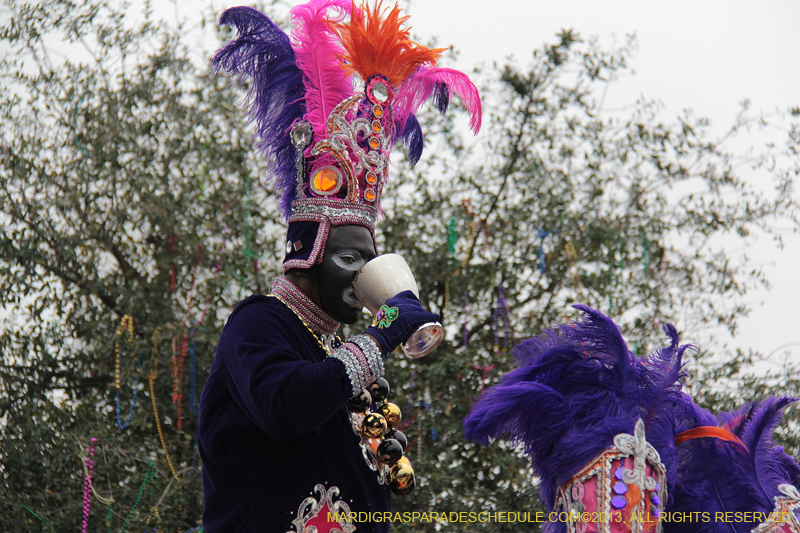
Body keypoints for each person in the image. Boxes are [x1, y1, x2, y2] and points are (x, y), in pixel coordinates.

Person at [198, 1, 481, 531]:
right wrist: (378, 341)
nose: (362, 276)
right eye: (350, 258)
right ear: (306, 255)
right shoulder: (258, 323)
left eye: (370, 260)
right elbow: (285, 407)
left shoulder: (338, 355)